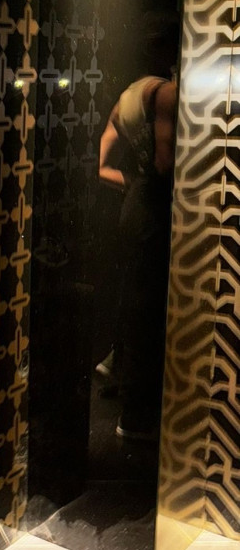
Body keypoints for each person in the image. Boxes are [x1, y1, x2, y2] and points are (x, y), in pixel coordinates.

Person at [98, 68, 176, 439]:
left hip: (135, 206)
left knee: (132, 297)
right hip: (154, 209)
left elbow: (100, 166)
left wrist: (132, 183)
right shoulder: (167, 95)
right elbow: (164, 164)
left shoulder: (128, 97)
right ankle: (135, 417)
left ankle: (116, 364)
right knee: (147, 311)